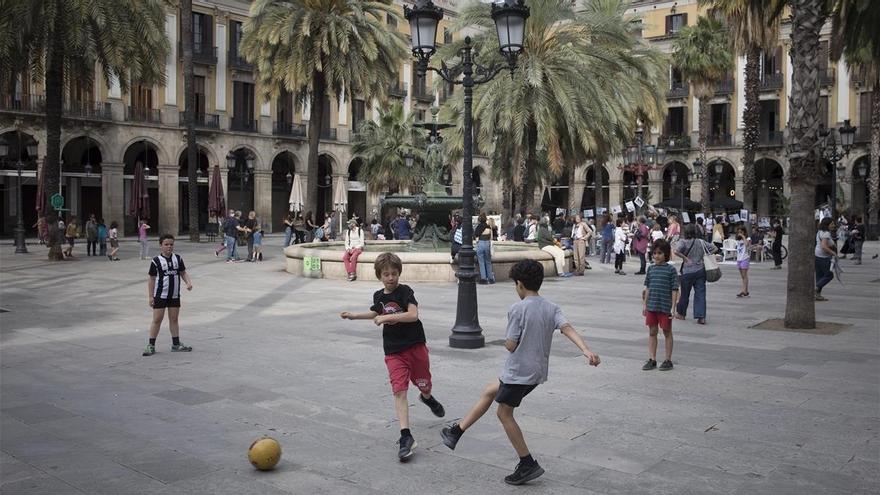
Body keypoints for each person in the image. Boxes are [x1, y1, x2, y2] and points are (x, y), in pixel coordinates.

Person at [439, 259, 600, 485]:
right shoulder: (551, 307)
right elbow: (567, 328)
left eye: (516, 284)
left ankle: (527, 464)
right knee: (489, 390)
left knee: (504, 414)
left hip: (518, 373)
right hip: (534, 373)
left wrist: (507, 341)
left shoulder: (517, 309)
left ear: (520, 285)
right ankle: (457, 431)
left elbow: (511, 345)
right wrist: (586, 350)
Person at [339, 253, 446, 461]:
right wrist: (355, 316)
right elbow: (375, 313)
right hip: (393, 351)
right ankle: (405, 436)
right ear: (380, 276)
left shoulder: (405, 292)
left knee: (424, 384)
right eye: (386, 274)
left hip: (415, 346)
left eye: (394, 273)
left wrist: (387, 317)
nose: (390, 278)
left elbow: (412, 315)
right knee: (399, 391)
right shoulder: (379, 296)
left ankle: (427, 397)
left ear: (399, 273)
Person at [142, 234, 194, 357]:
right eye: (166, 244)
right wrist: (150, 296)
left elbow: (183, 272)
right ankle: (151, 345)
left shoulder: (178, 259)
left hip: (174, 295)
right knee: (157, 319)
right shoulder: (155, 261)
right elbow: (152, 279)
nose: (169, 247)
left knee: (174, 319)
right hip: (160, 295)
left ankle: (176, 344)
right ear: (161, 245)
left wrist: (188, 282)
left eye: (171, 244)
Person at [641, 239, 679, 371]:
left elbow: (675, 289)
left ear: (666, 254)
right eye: (654, 253)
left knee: (667, 332)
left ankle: (668, 359)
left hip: (665, 307)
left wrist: (673, 308)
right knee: (652, 332)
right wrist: (645, 305)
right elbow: (648, 288)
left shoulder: (671, 270)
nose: (656, 256)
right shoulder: (650, 269)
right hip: (652, 306)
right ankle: (652, 359)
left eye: (660, 253)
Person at [675, 224, 718, 324]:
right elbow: (715, 248)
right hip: (700, 271)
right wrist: (705, 256)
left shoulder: (683, 242)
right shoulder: (701, 242)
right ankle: (701, 316)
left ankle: (681, 314)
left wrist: (685, 258)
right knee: (700, 294)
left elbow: (676, 251)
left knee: (685, 293)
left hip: (687, 272)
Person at [814, 217, 836, 301]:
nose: (833, 225)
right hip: (824, 257)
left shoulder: (820, 232)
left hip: (817, 255)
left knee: (820, 276)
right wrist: (833, 252)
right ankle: (816, 289)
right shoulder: (826, 234)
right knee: (829, 275)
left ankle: (817, 295)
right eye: (832, 224)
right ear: (827, 225)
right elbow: (824, 246)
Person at [474, 212, 496, 284]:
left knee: (481, 262)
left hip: (481, 243)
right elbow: (491, 237)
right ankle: (490, 278)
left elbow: (476, 237)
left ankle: (483, 278)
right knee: (488, 261)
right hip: (487, 244)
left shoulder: (479, 227)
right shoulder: (489, 227)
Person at [735, 227, 751, 297]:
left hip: (745, 258)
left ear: (744, 232)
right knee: (743, 276)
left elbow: (747, 245)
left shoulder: (748, 239)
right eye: (739, 232)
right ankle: (746, 291)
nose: (740, 233)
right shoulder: (738, 240)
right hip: (739, 259)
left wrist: (743, 236)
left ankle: (743, 290)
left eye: (741, 232)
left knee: (744, 275)